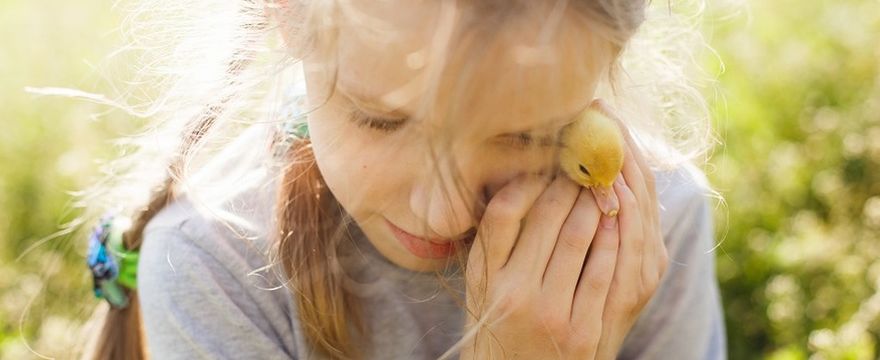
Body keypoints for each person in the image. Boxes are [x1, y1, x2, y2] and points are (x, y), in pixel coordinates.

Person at [80, 0, 726, 359]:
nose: (442, 215)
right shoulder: (213, 268)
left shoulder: (650, 229)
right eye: (380, 122)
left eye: (525, 134)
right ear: (287, 15)